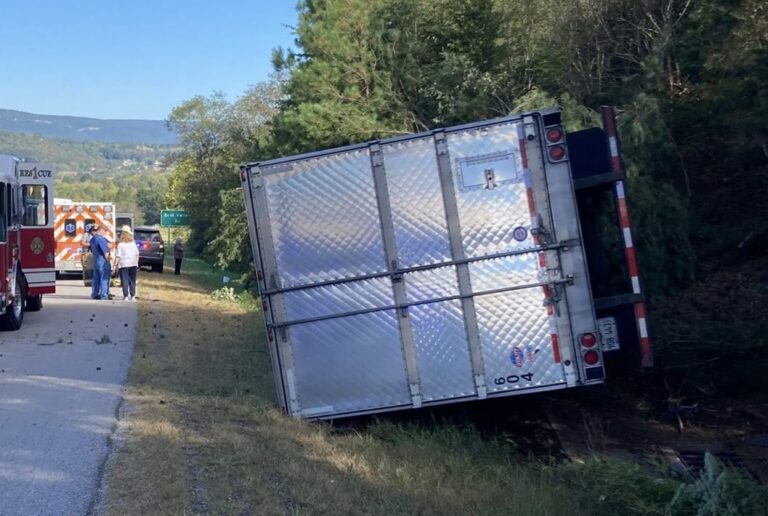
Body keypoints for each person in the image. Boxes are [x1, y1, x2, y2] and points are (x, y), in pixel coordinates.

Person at [115, 225, 139, 301]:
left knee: (124, 280)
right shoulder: (133, 244)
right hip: (133, 264)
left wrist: (114, 265)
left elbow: (118, 256)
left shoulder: (120, 245)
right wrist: (137, 263)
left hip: (123, 265)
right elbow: (137, 254)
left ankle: (125, 296)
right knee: (132, 280)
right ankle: (133, 296)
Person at [90, 224, 112, 300]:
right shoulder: (101, 240)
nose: (105, 233)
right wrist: (108, 261)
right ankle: (104, 295)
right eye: (105, 231)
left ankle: (94, 294)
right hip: (102, 261)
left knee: (96, 278)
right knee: (104, 278)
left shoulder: (92, 239)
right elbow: (105, 253)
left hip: (96, 260)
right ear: (101, 230)